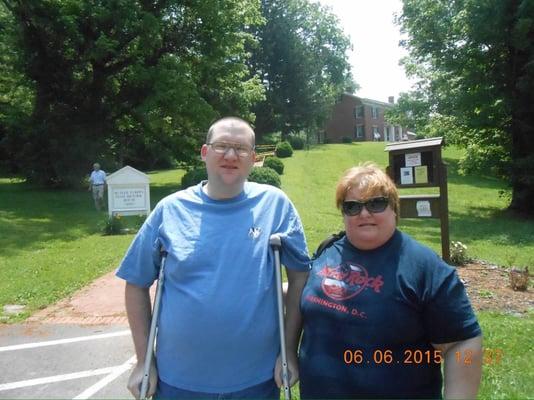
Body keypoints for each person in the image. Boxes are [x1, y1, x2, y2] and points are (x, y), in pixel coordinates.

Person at [116, 117, 310, 399]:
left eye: (241, 149)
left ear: (253, 159)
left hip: (256, 382)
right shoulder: (170, 210)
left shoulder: (275, 206)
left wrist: (288, 351)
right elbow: (135, 282)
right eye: (222, 146)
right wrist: (144, 361)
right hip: (178, 384)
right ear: (205, 153)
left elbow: (300, 277)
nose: (231, 155)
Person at [298, 163, 482, 399]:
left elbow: (462, 344)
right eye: (352, 206)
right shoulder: (328, 250)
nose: (364, 213)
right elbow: (304, 293)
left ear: (394, 207)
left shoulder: (425, 267)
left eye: (376, 203)